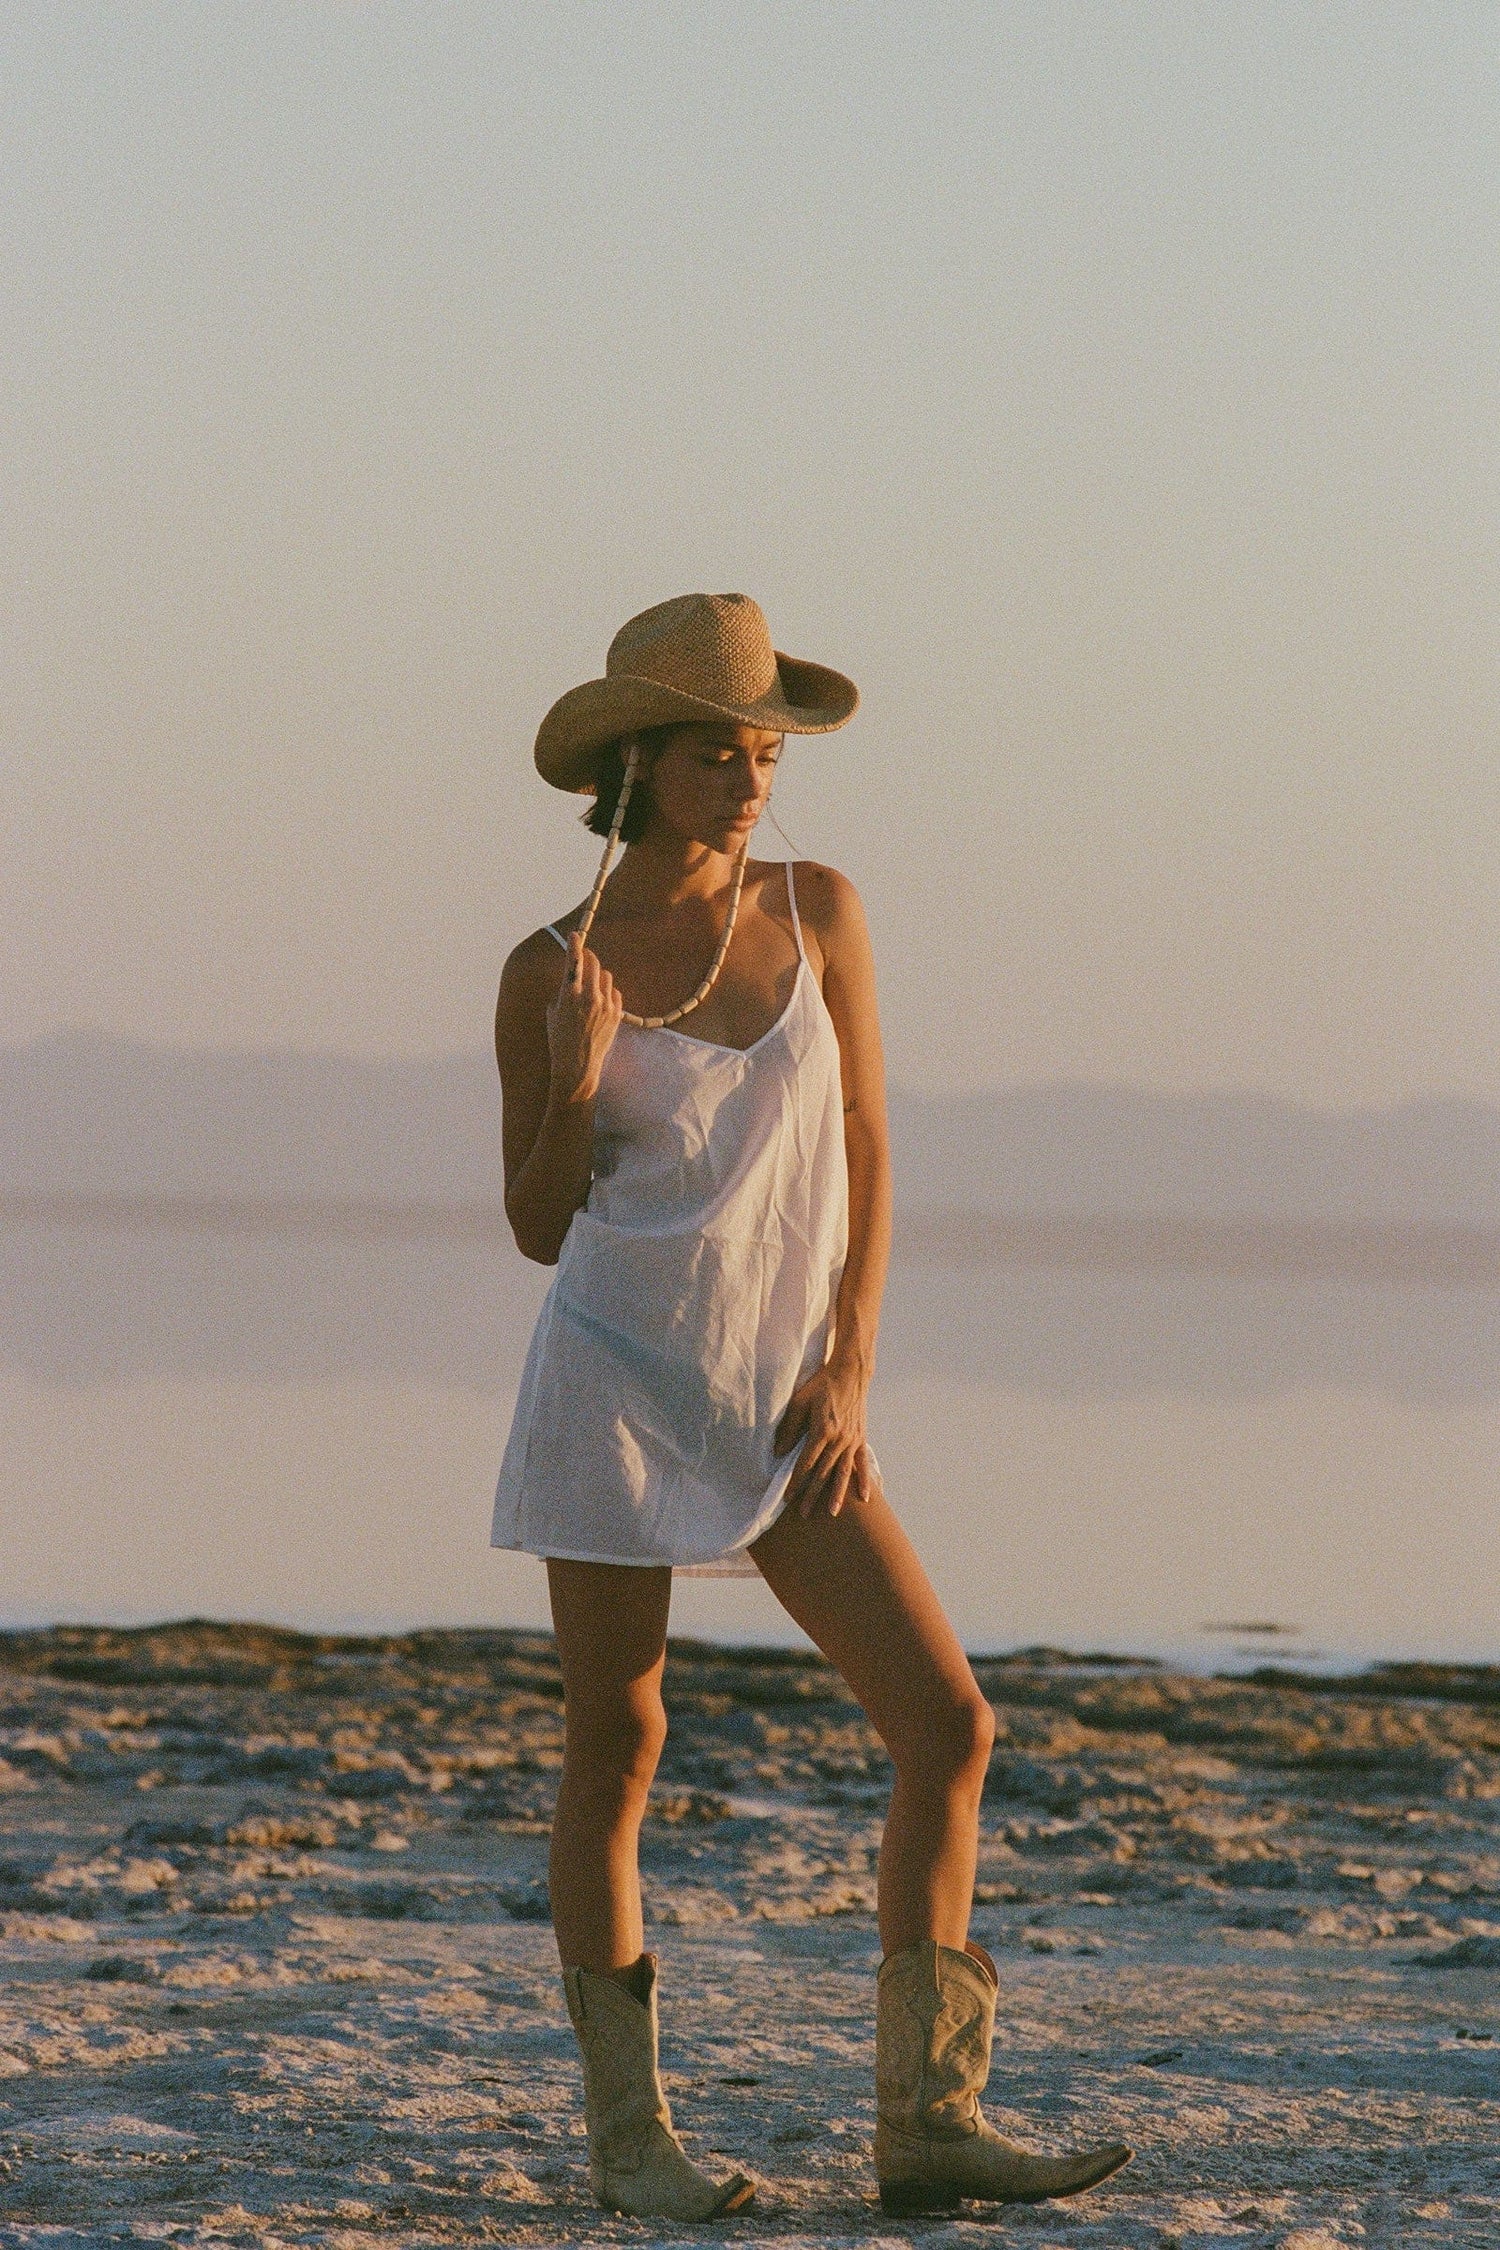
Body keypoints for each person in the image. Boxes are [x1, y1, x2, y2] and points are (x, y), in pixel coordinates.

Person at [491, 592, 1131, 2219]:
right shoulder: (548, 964)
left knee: (947, 1722)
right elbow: (535, 1217)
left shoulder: (820, 908)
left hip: (786, 1399)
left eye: (768, 746)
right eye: (721, 746)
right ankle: (635, 2145)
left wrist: (850, 1357)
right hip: (615, 1387)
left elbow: (868, 1146)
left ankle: (927, 2123)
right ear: (634, 761)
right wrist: (571, 1077)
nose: (753, 771)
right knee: (616, 1746)